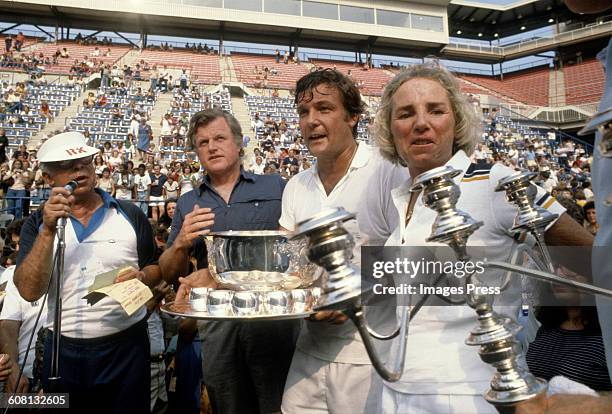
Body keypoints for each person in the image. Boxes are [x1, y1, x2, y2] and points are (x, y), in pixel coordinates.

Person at [375, 63, 593, 413]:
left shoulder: (495, 181)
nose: (420, 123)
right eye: (405, 114)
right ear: (390, 129)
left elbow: (594, 261)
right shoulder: (401, 195)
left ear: (457, 121)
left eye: (435, 110)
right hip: (395, 385)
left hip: (471, 393)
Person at [279, 69, 407, 413]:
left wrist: (356, 292)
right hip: (309, 348)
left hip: (369, 352)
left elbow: (415, 259)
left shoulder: (387, 171)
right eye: (304, 112)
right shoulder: (295, 185)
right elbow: (289, 265)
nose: (311, 121)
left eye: (324, 108)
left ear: (352, 117)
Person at [159, 109, 297, 414]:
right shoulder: (186, 202)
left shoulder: (276, 187)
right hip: (218, 326)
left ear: (238, 143)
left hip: (272, 320)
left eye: (219, 138)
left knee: (278, 406)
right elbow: (170, 273)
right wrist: (181, 242)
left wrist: (221, 271)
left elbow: (296, 251)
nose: (211, 146)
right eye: (203, 142)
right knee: (227, 404)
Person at [13, 131, 161, 413]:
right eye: (68, 167)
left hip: (127, 348)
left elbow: (155, 267)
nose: (80, 170)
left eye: (85, 163)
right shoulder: (36, 225)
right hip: (63, 351)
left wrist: (143, 278)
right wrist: (47, 231)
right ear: (48, 179)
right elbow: (29, 290)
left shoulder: (129, 214)